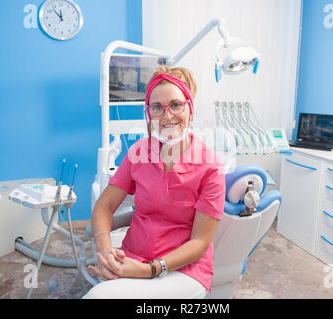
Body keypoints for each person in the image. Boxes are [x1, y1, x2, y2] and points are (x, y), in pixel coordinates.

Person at [83, 66, 226, 299]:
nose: (167, 116)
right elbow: (104, 206)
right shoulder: (139, 152)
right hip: (133, 257)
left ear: (190, 108)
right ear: (148, 113)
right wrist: (106, 250)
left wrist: (150, 270)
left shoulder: (210, 167)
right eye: (157, 107)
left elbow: (200, 241)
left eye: (176, 105)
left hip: (183, 270)